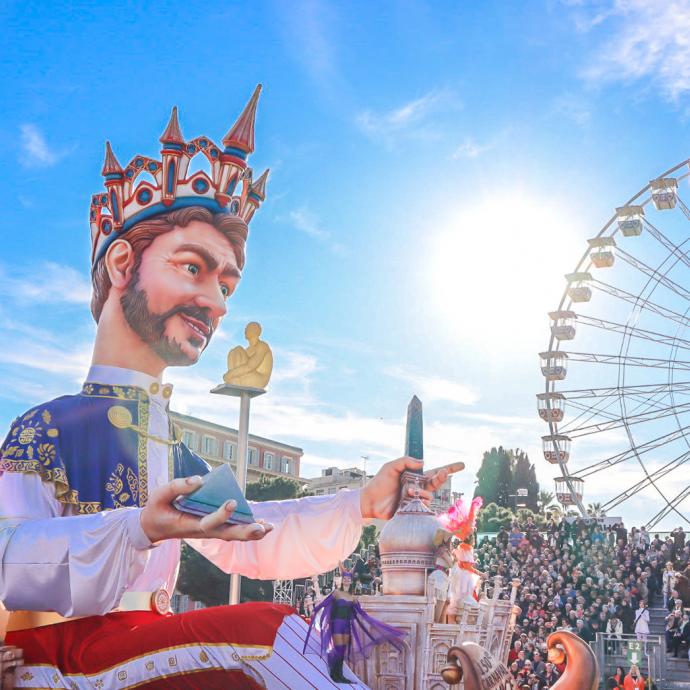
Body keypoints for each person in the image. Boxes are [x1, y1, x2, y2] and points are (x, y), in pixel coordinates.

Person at [0, 95, 460, 688]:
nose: (217, 305)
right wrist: (138, 528)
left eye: (226, 285)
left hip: (140, 650)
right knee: (274, 637)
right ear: (120, 265)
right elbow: (8, 557)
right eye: (193, 268)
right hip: (55, 657)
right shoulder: (48, 429)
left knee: (282, 637)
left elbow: (252, 539)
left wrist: (360, 505)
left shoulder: (172, 447)